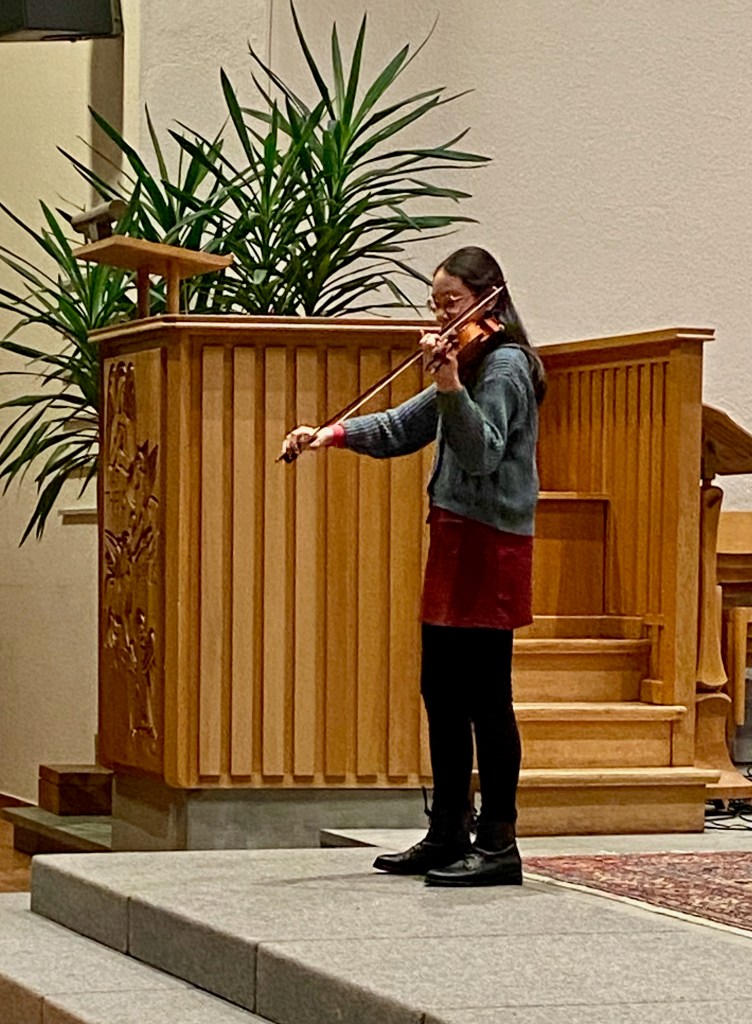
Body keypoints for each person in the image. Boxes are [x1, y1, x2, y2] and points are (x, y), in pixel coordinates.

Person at [282, 246, 546, 887]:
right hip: (455, 536)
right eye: (436, 304)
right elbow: (405, 425)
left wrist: (451, 383)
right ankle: (448, 828)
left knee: (488, 699)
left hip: (493, 543)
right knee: (441, 691)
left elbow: (483, 454)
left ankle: (499, 842)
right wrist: (330, 435)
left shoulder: (504, 366)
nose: (442, 316)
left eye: (452, 303)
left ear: (489, 297)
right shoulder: (470, 361)